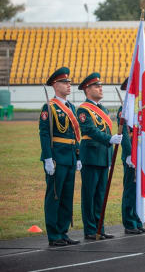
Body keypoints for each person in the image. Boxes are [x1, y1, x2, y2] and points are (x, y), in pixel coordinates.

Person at [39, 67, 81, 247]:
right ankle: (54, 234)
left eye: (69, 82)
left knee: (66, 197)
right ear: (55, 85)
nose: (69, 85)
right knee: (54, 196)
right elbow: (44, 134)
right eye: (65, 82)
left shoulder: (71, 107)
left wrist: (78, 156)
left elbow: (75, 134)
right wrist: (48, 158)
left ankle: (63, 232)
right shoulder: (49, 107)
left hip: (70, 157)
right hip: (57, 158)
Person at [77, 73, 122, 240]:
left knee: (101, 195)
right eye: (97, 86)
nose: (100, 88)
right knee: (89, 195)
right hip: (90, 155)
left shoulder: (104, 109)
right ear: (88, 89)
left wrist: (109, 156)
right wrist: (109, 139)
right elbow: (89, 130)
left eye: (100, 85)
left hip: (103, 157)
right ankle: (90, 230)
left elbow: (105, 130)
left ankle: (99, 228)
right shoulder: (83, 109)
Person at [118, 78, 145, 233]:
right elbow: (125, 134)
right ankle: (129, 223)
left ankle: (139, 220)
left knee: (140, 189)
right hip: (130, 156)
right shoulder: (124, 109)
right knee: (130, 190)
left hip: (141, 154)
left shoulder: (140, 109)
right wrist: (128, 154)